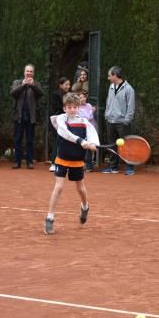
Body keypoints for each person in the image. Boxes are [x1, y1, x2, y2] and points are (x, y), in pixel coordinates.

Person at [44, 93, 99, 235]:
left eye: (75, 107)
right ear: (64, 108)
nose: (72, 109)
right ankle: (49, 218)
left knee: (80, 188)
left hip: (77, 160)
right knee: (59, 186)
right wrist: (82, 142)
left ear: (78, 108)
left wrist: (92, 144)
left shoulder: (84, 122)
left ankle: (85, 207)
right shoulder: (60, 119)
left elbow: (92, 135)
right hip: (62, 158)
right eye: (69, 107)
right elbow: (64, 133)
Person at [102, 66, 135, 175]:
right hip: (110, 121)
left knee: (126, 145)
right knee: (112, 145)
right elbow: (108, 102)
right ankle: (113, 167)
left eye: (109, 75)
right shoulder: (111, 86)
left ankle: (130, 167)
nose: (108, 78)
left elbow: (131, 106)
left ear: (115, 75)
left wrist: (127, 120)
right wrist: (107, 115)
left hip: (123, 123)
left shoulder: (128, 89)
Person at [10, 64, 43, 169]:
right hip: (18, 116)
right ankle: (17, 162)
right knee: (17, 139)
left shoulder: (36, 84)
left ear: (33, 73)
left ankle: (29, 162)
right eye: (27, 71)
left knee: (30, 140)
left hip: (31, 116)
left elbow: (40, 94)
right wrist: (22, 85)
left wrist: (33, 85)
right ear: (24, 72)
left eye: (31, 71)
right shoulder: (17, 82)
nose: (29, 73)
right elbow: (13, 93)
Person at [49, 76, 71, 171]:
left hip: (68, 120)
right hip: (58, 120)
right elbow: (56, 107)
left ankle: (65, 163)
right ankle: (53, 163)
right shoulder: (56, 94)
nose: (68, 86)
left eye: (69, 84)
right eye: (66, 84)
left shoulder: (69, 95)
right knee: (58, 141)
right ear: (60, 85)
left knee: (66, 142)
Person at [78, 91, 97, 171]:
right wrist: (92, 111)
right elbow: (87, 117)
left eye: (84, 97)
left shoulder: (89, 105)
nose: (83, 99)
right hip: (83, 130)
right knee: (84, 147)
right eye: (80, 98)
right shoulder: (77, 108)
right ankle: (82, 165)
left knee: (90, 147)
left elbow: (91, 118)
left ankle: (89, 166)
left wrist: (92, 111)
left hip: (92, 129)